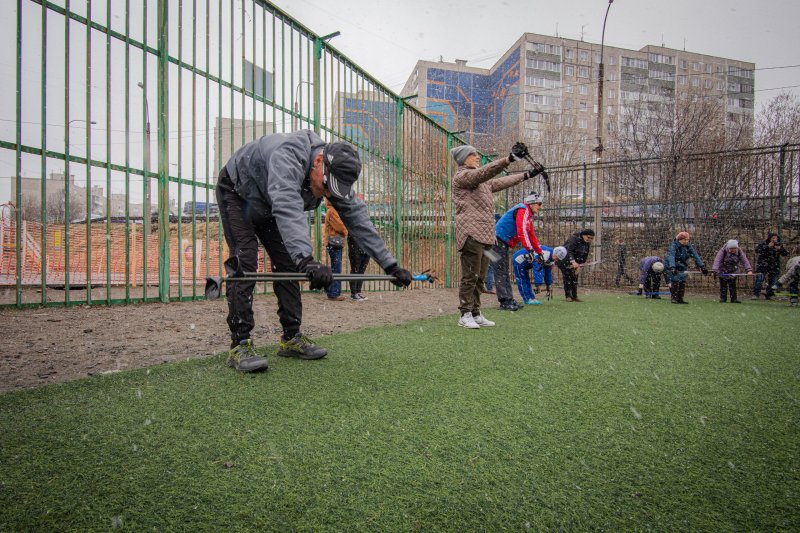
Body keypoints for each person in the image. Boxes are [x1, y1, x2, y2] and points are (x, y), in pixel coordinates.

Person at [216, 130, 412, 372]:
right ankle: (240, 344)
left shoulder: (333, 176)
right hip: (237, 193)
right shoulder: (287, 156)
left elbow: (359, 221)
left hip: (267, 204)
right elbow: (287, 204)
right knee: (244, 261)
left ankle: (291, 338)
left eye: (335, 191)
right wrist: (306, 260)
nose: (328, 195)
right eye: (327, 187)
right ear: (318, 161)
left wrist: (390, 265)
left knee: (287, 265)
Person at [451, 142, 539, 329]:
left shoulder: (481, 181)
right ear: (463, 159)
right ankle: (465, 314)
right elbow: (484, 173)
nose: (478, 157)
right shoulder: (462, 177)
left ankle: (475, 312)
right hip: (471, 233)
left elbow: (500, 181)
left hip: (485, 235)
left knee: (480, 277)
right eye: (473, 154)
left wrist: (527, 175)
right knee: (470, 276)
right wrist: (509, 159)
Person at [494, 191, 546, 310]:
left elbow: (531, 235)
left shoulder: (528, 215)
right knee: (500, 271)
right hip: (496, 241)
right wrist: (529, 249)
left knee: (503, 270)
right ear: (532, 203)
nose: (540, 207)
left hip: (502, 242)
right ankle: (505, 301)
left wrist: (540, 252)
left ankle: (509, 299)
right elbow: (521, 231)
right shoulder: (523, 210)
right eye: (539, 204)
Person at [664, 231, 708, 304]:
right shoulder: (673, 246)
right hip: (672, 265)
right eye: (685, 239)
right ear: (680, 239)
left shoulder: (688, 246)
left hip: (683, 265)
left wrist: (702, 266)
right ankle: (674, 298)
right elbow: (671, 257)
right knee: (675, 281)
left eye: (688, 239)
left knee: (682, 281)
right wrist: (672, 267)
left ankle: (680, 298)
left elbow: (695, 255)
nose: (686, 241)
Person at [555, 229, 595, 302]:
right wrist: (573, 261)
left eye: (591, 238)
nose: (590, 239)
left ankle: (574, 296)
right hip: (564, 260)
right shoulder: (574, 239)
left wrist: (580, 264)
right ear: (583, 235)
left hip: (575, 262)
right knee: (567, 277)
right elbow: (569, 250)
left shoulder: (587, 243)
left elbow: (585, 254)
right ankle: (568, 296)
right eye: (588, 237)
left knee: (574, 278)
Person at [712, 239, 753, 303]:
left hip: (733, 271)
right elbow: (717, 260)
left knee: (732, 285)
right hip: (723, 270)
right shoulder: (723, 251)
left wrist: (749, 270)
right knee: (723, 286)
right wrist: (715, 270)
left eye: (734, 248)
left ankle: (734, 299)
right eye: (731, 248)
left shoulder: (739, 251)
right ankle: (723, 299)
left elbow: (745, 261)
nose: (733, 250)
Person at [752, 232, 789, 300]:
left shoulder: (778, 245)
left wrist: (779, 249)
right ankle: (756, 294)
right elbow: (757, 251)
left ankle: (769, 294)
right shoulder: (764, 243)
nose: (774, 240)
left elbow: (785, 253)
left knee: (773, 281)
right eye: (773, 238)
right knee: (760, 279)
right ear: (769, 238)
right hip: (763, 264)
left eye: (776, 238)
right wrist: (767, 247)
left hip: (774, 265)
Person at [324, 199, 347, 301]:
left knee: (334, 267)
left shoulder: (331, 210)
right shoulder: (333, 211)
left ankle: (330, 290)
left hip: (333, 242)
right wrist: (347, 231)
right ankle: (333, 293)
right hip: (334, 242)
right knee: (336, 268)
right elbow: (339, 226)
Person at [347, 234, 371, 301]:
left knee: (361, 271)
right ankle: (353, 293)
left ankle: (358, 292)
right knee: (355, 270)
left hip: (366, 248)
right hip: (355, 247)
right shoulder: (354, 224)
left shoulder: (369, 223)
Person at [482, 213, 502, 294]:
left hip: (484, 247)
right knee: (491, 268)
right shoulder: (498, 226)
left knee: (485, 267)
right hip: (491, 248)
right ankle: (489, 288)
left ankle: (483, 286)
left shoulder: (488, 226)